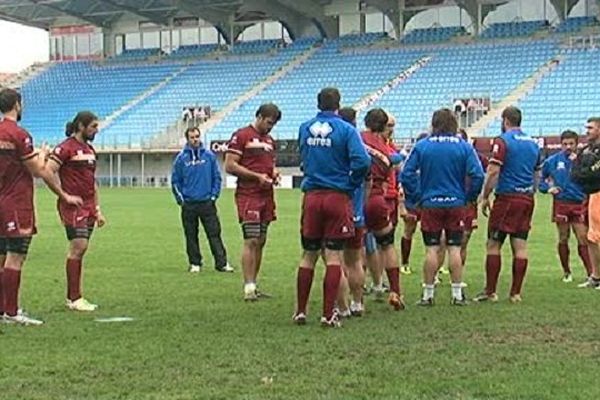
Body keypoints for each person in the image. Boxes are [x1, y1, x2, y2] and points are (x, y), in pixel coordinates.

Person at [0, 88, 82, 324]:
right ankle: (12, 312)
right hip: (16, 202)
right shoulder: (19, 134)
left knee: (1, 255)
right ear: (17, 105)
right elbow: (37, 170)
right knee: (16, 257)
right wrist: (43, 154)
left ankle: (3, 309)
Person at [292, 88, 371, 327]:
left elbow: (303, 158)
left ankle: (301, 312)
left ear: (318, 104)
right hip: (337, 196)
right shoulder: (347, 130)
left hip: (312, 196)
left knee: (308, 256)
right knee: (334, 256)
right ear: (338, 105)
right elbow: (363, 161)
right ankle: (329, 314)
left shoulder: (304, 128)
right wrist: (351, 182)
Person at [402, 109, 484, 306]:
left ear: (434, 124)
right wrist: (469, 197)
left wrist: (416, 197)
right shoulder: (464, 147)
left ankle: (428, 295)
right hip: (455, 203)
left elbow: (406, 174)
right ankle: (457, 294)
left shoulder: (423, 146)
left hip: (430, 203)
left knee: (431, 248)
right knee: (454, 248)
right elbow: (478, 175)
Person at [474, 107, 541, 303]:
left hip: (507, 198)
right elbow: (537, 173)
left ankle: (490, 291)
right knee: (520, 244)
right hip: (527, 198)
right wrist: (530, 191)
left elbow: (493, 171)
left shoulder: (502, 141)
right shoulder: (533, 144)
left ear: (505, 120)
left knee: (494, 243)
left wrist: (485, 196)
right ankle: (515, 293)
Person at [45, 112, 106, 312]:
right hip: (73, 206)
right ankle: (74, 297)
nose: (96, 130)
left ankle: (75, 296)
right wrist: (64, 196)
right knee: (78, 246)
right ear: (81, 126)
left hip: (89, 206)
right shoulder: (65, 148)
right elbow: (48, 171)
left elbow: (92, 182)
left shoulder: (89, 150)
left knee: (82, 249)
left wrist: (97, 209)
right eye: (93, 127)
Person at [224, 103, 281, 301]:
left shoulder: (270, 141)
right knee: (251, 239)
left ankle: (254, 284)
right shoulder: (241, 136)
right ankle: (248, 286)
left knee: (262, 241)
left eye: (273, 124)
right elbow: (230, 165)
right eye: (268, 122)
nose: (270, 127)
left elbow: (269, 164)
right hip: (248, 195)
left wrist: (273, 173)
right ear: (259, 116)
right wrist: (256, 176)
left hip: (266, 195)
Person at [171, 127, 232, 274]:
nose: (195, 139)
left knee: (214, 233)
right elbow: (175, 181)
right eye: (192, 137)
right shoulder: (181, 159)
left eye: (197, 136)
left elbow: (216, 178)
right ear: (187, 139)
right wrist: (181, 201)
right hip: (189, 204)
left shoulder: (209, 156)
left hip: (207, 203)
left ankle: (221, 263)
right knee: (191, 235)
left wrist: (213, 196)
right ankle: (195, 263)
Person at [362, 108, 406, 311]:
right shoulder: (389, 152)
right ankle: (395, 290)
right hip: (379, 200)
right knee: (387, 244)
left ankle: (354, 299)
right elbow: (395, 164)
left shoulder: (357, 138)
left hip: (358, 198)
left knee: (354, 250)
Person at [539, 130, 592, 283]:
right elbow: (542, 180)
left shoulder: (583, 160)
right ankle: (567, 272)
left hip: (579, 203)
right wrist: (548, 189)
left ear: (577, 144)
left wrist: (578, 164)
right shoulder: (552, 161)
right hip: (561, 203)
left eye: (571, 144)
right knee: (563, 237)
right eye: (565, 144)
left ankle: (590, 273)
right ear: (561, 144)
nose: (568, 147)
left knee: (583, 238)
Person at [338, 106, 368, 316]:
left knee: (335, 260)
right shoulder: (359, 144)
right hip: (356, 212)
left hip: (337, 207)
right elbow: (368, 178)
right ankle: (358, 302)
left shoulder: (336, 141)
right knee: (355, 260)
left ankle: (342, 306)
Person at [571, 117, 600, 289]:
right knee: (590, 237)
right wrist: (586, 173)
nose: (586, 130)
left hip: (598, 193)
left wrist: (586, 173)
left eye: (590, 128)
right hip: (588, 195)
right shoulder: (584, 150)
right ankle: (595, 276)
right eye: (586, 127)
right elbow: (575, 173)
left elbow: (593, 174)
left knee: (597, 236)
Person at [400, 132, 429, 275]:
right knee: (409, 231)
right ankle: (404, 263)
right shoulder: (411, 162)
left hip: (427, 201)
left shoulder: (430, 162)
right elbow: (404, 180)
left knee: (430, 233)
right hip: (413, 201)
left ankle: (431, 267)